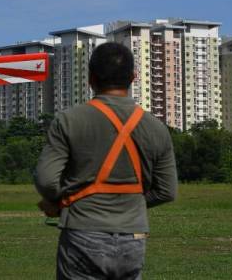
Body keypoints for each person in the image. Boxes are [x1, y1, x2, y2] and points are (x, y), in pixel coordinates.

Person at [35, 42, 178, 280]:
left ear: (91, 78)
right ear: (133, 78)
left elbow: (47, 180)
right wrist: (128, 204)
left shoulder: (69, 120)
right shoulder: (156, 128)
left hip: (82, 233)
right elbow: (167, 191)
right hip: (133, 237)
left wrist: (61, 203)